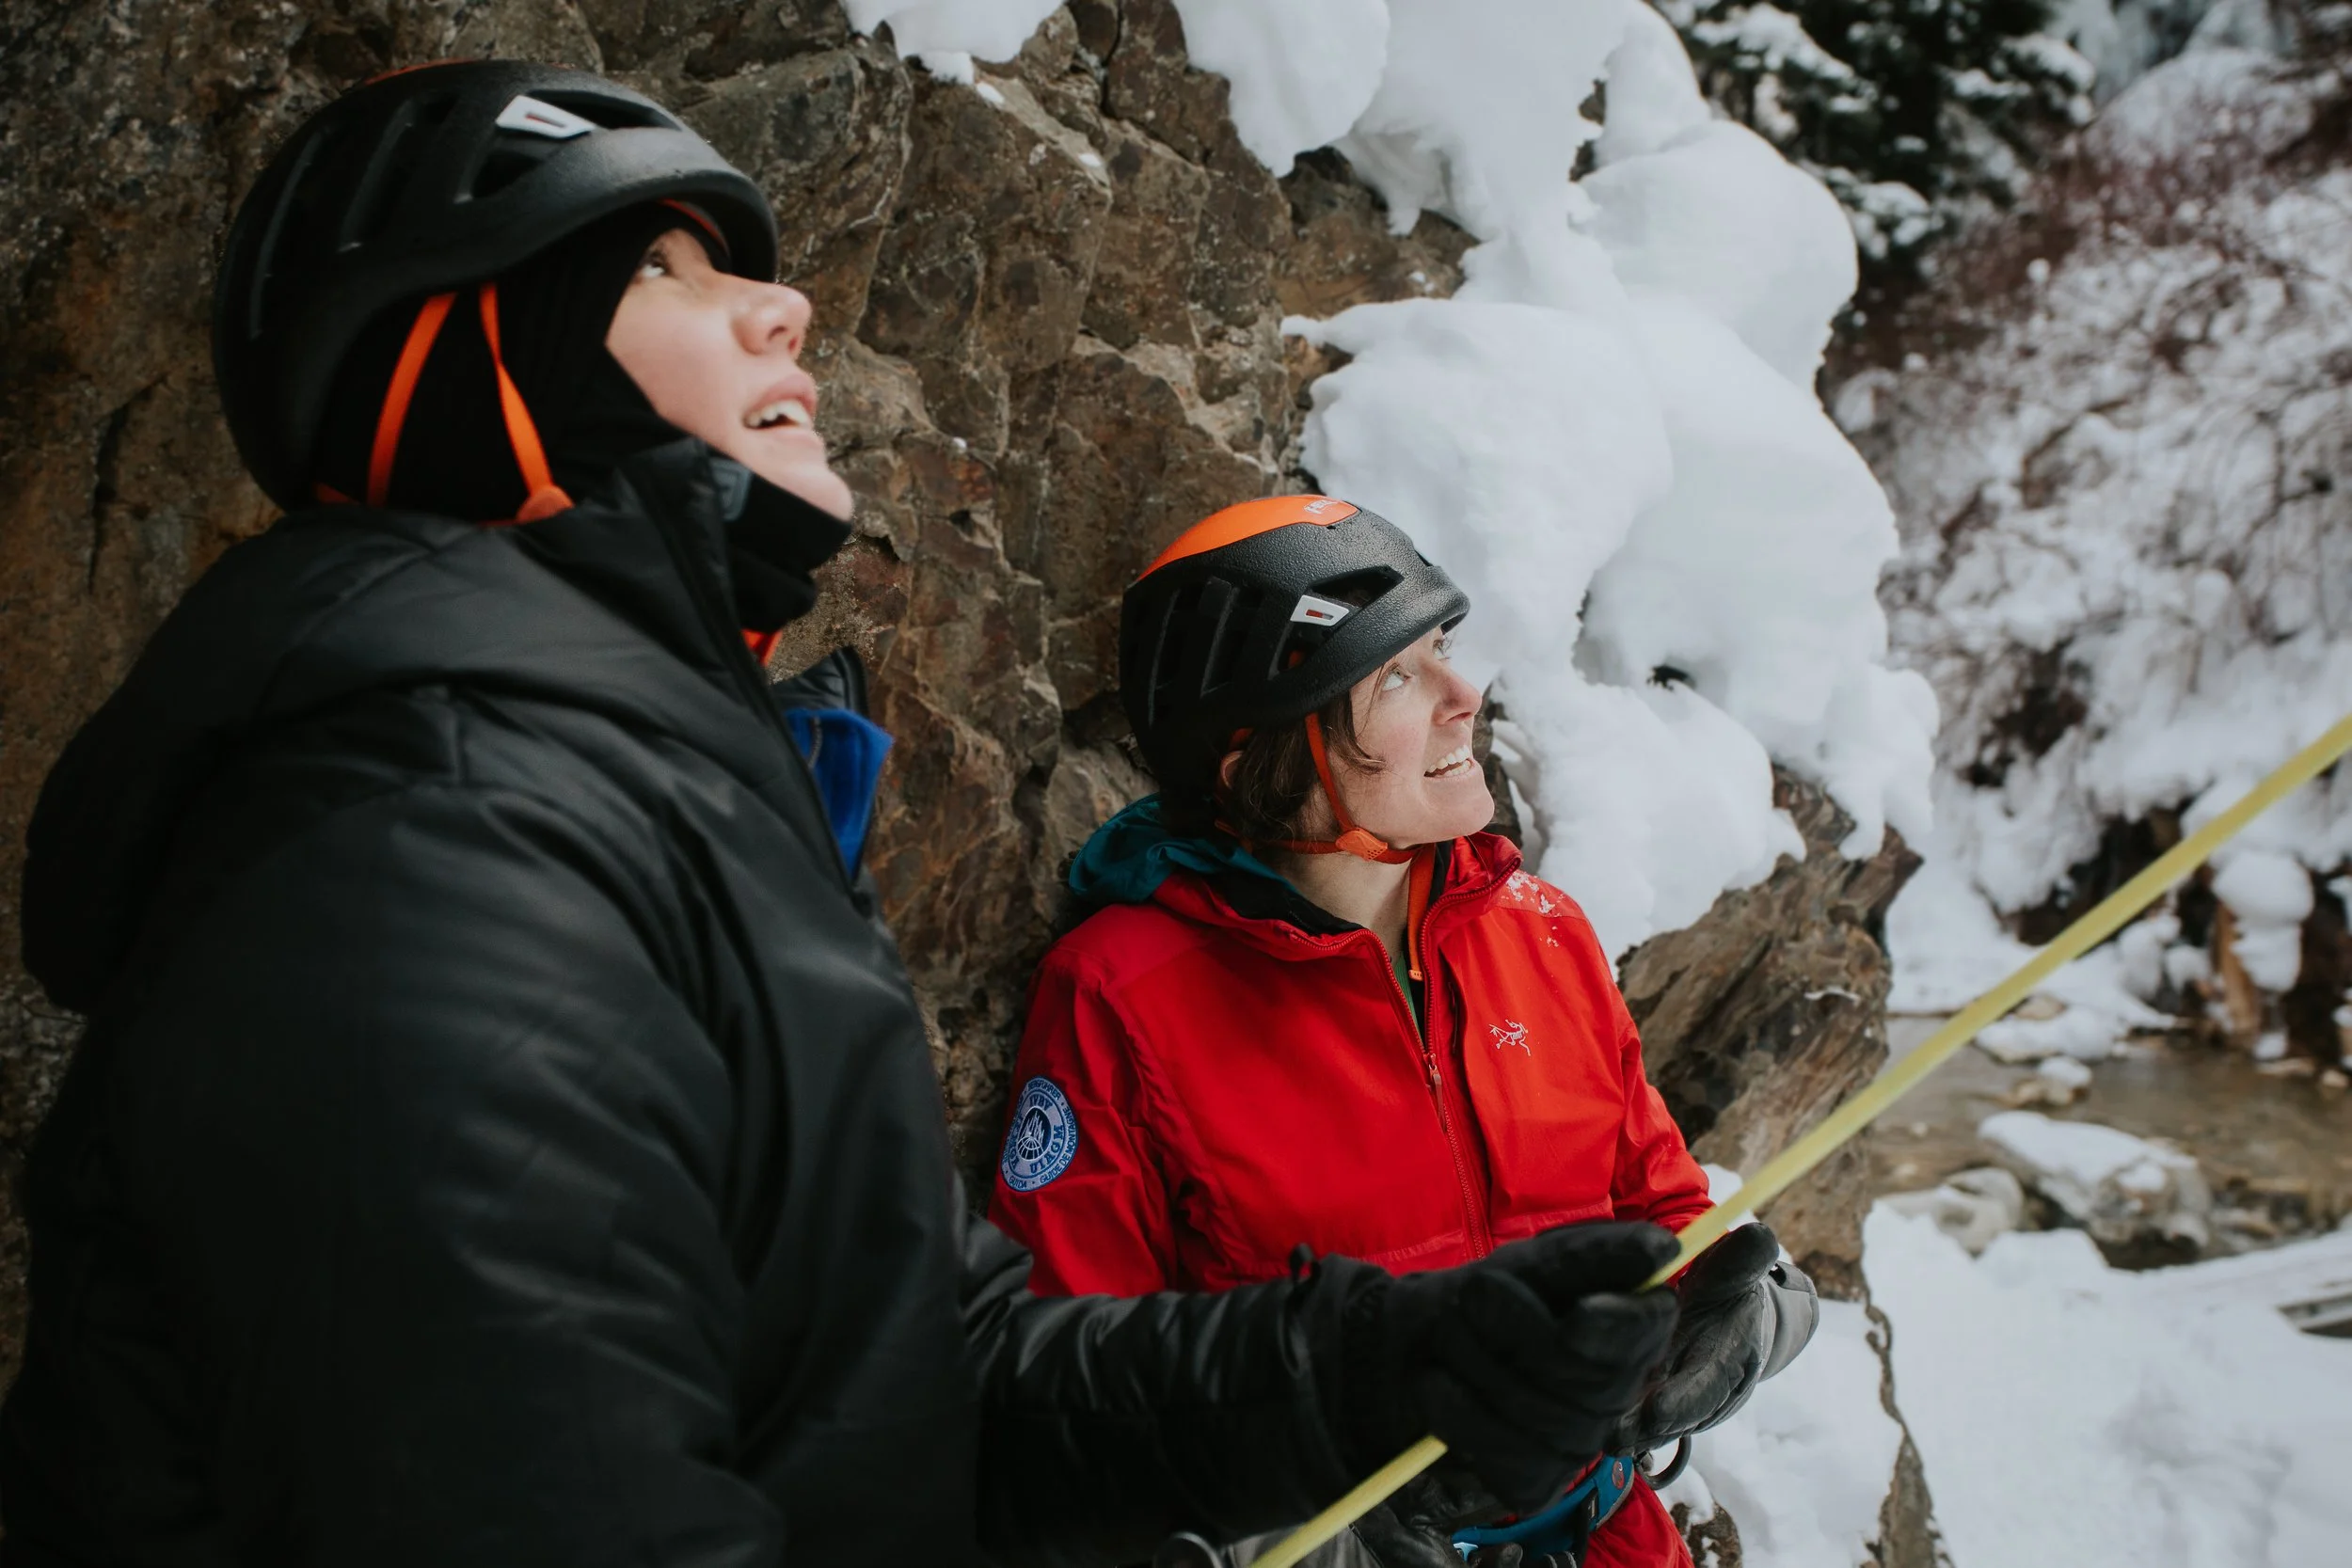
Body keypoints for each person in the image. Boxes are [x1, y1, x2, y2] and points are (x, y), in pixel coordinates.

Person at [0, 64, 1692, 1568]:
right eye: (663, 271)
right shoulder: (420, 850)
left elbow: (920, 1383)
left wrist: (1381, 1372)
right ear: (469, 368)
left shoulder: (648, 803)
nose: (785, 306)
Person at [990, 497, 1822, 1568]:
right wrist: (1319, 1530)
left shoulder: (1542, 933)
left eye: (1442, 649)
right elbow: (1072, 1384)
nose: (1464, 695)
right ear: (1259, 759)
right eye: (1396, 676)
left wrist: (1730, 1321)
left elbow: (1662, 1213)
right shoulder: (1120, 995)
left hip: (1605, 1535)